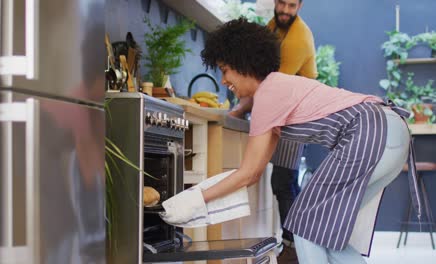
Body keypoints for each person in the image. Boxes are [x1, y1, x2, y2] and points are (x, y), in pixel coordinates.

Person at [161, 18, 422, 263]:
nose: (223, 80)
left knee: (305, 222)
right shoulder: (278, 88)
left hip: (370, 133)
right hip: (390, 133)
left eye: (225, 70)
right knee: (326, 234)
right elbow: (254, 172)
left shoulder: (268, 95)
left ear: (242, 62)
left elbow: (248, 173)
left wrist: (192, 200)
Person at [230, 1, 317, 262]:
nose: (285, 11)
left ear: (300, 6)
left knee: (283, 181)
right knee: (285, 182)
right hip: (284, 111)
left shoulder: (298, 39)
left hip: (296, 114)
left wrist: (238, 109)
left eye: (292, 5)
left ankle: (293, 247)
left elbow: (270, 86)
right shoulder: (273, 28)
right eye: (282, 3)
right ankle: (298, 245)